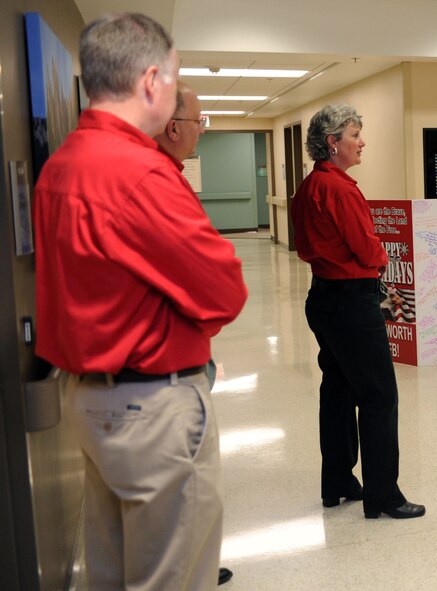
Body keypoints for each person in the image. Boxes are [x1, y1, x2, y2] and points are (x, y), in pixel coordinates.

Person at [34, 13, 248, 590]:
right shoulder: (139, 173)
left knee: (114, 570)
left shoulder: (64, 164)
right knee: (170, 577)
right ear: (152, 80)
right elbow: (225, 289)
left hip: (93, 401)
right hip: (151, 409)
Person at [291, 104, 424, 520]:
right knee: (379, 395)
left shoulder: (309, 187)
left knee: (337, 390)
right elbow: (368, 250)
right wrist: (381, 256)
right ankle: (383, 495)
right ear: (333, 143)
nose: (361, 141)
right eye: (353, 134)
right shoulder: (341, 189)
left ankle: (338, 482)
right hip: (352, 302)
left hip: (324, 299)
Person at [152, 83, 235, 587]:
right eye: (200, 120)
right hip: (160, 379)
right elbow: (206, 279)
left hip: (167, 366)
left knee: (188, 495)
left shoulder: (161, 175)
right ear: (173, 126)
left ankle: (191, 566)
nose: (203, 129)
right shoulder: (153, 182)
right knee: (181, 492)